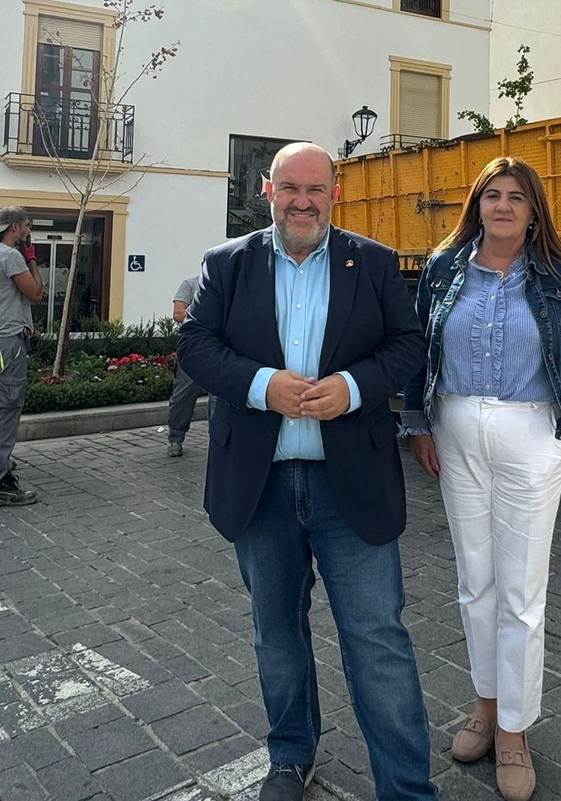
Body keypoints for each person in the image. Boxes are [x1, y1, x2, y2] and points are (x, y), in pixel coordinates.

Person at [179, 143, 438, 801]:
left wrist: (352, 387)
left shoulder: (373, 263)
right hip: (259, 486)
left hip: (347, 483)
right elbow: (197, 347)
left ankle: (407, 789)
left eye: (314, 189)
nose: (301, 200)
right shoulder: (227, 264)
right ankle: (291, 755)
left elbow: (408, 345)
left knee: (377, 639)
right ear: (268, 191)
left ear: (334, 194)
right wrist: (263, 385)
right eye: (289, 187)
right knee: (277, 634)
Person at [402, 157, 561, 801]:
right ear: (477, 205)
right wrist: (416, 424)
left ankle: (516, 731)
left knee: (521, 588)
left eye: (516, 197)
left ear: (533, 210)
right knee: (476, 581)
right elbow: (418, 347)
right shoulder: (443, 270)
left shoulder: (559, 277)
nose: (502, 207)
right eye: (492, 195)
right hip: (457, 429)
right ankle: (486, 705)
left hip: (531, 432)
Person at [0, 206, 44, 507]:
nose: (29, 232)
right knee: (6, 408)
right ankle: (0, 483)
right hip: (8, 343)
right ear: (15, 227)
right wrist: (32, 260)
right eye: (27, 226)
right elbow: (36, 293)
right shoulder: (10, 256)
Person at [165, 273, 202, 457]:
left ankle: (221, 444)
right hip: (193, 349)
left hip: (222, 349)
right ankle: (175, 438)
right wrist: (206, 312)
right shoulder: (190, 285)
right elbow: (178, 314)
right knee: (183, 396)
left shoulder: (228, 285)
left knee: (222, 401)